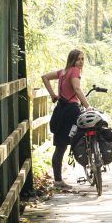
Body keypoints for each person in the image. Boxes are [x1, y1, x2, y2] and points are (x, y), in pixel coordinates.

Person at [41, 49, 91, 190]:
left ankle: (58, 180)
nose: (81, 62)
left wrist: (53, 95)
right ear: (72, 60)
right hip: (71, 111)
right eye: (78, 59)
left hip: (60, 110)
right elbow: (77, 89)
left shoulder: (62, 72)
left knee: (60, 147)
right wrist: (88, 106)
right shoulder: (74, 71)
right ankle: (93, 163)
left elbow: (44, 77)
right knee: (84, 136)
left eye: (82, 59)